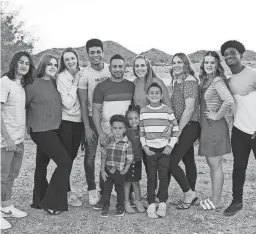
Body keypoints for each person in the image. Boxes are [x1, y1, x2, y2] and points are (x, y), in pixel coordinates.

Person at [25, 54, 72, 215]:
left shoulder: (54, 82)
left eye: (55, 64)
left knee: (41, 165)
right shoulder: (32, 85)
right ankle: (52, 202)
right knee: (65, 162)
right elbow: (21, 106)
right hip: (39, 130)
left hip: (54, 129)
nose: (53, 67)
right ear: (42, 66)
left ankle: (38, 200)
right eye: (49, 64)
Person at [92, 54, 135, 209]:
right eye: (115, 66)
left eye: (120, 66)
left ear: (125, 67)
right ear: (110, 68)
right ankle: (104, 197)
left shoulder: (131, 86)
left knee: (125, 162)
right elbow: (96, 111)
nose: (118, 69)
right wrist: (100, 133)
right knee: (106, 162)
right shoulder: (101, 87)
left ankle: (126, 197)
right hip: (106, 131)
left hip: (125, 132)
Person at [220, 40, 256, 216]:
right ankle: (236, 201)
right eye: (225, 54)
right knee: (239, 167)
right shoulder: (228, 81)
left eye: (232, 53)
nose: (229, 56)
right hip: (239, 130)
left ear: (241, 54)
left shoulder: (253, 74)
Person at [1, 51, 35, 230]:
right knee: (1, 176)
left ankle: (6, 205)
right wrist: (6, 138)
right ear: (14, 63)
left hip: (18, 139)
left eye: (27, 64)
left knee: (12, 174)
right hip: (5, 140)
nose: (23, 66)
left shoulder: (21, 85)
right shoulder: (4, 83)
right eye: (21, 62)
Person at [198, 51, 234, 210]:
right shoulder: (206, 80)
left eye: (212, 62)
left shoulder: (217, 81)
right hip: (207, 126)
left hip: (214, 127)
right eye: (206, 62)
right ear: (203, 64)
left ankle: (217, 200)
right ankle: (214, 197)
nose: (209, 65)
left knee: (215, 165)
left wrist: (217, 115)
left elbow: (229, 100)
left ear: (217, 64)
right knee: (212, 165)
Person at [132, 55, 172, 197]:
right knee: (147, 162)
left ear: (148, 66)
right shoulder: (134, 83)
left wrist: (170, 127)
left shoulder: (156, 81)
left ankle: (160, 193)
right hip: (142, 130)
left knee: (160, 165)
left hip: (159, 131)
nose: (140, 68)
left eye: (143, 65)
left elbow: (168, 105)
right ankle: (151, 190)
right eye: (137, 66)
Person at [78, 39, 111, 206]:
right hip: (91, 118)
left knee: (107, 154)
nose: (96, 55)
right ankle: (92, 190)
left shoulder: (110, 69)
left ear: (103, 52)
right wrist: (86, 127)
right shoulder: (84, 74)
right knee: (90, 156)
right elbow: (83, 103)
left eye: (98, 52)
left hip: (109, 118)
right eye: (92, 52)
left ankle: (105, 188)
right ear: (88, 54)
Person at [140, 82, 179, 218]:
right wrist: (144, 147)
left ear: (162, 95)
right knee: (151, 177)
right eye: (151, 93)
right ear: (147, 95)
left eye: (157, 93)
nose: (154, 95)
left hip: (164, 150)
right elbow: (141, 131)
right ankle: (151, 203)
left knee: (163, 176)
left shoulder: (167, 110)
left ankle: (162, 202)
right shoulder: (143, 111)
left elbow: (175, 128)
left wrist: (170, 145)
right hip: (150, 150)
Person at [168, 53, 200, 209]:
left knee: (171, 161)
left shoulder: (190, 81)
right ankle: (191, 193)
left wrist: (178, 131)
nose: (176, 65)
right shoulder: (177, 81)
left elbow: (189, 109)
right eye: (174, 62)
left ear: (186, 63)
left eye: (179, 62)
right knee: (188, 160)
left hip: (190, 125)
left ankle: (188, 193)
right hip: (182, 125)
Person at [56, 47, 84, 207]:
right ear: (63, 62)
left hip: (80, 122)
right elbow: (66, 103)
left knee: (72, 156)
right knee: (65, 158)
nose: (70, 62)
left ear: (77, 59)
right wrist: (74, 83)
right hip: (66, 122)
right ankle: (65, 191)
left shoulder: (82, 73)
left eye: (72, 58)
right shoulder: (61, 78)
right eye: (67, 59)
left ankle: (65, 189)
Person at [99, 115, 134, 218]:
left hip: (120, 171)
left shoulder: (127, 143)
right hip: (108, 170)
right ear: (111, 128)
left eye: (120, 128)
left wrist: (125, 170)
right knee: (106, 190)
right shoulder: (108, 140)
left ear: (124, 129)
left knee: (120, 190)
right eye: (115, 128)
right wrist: (102, 170)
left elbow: (129, 159)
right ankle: (105, 207)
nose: (117, 131)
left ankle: (120, 207)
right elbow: (103, 155)